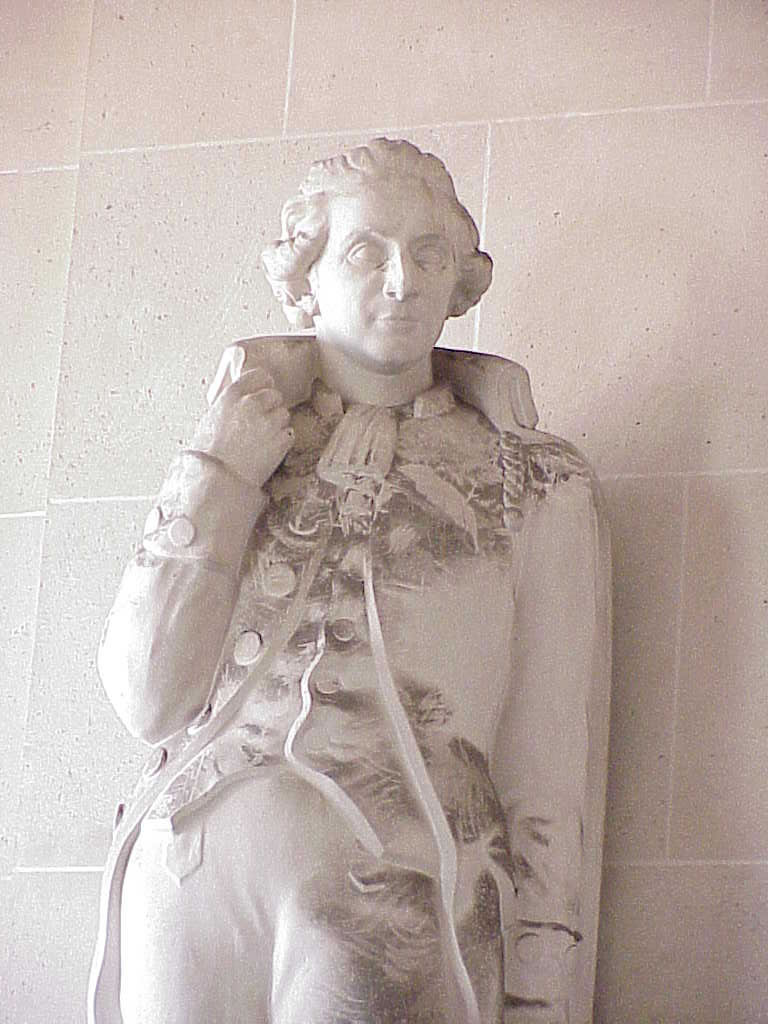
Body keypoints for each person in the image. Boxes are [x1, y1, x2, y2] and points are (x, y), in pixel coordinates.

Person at [88, 138, 610, 1024]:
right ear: (307, 276)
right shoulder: (236, 444)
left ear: (460, 280)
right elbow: (146, 699)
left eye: (429, 255)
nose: (403, 282)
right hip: (184, 874)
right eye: (368, 252)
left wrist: (540, 973)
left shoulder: (533, 479)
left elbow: (547, 757)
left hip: (400, 892)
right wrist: (218, 471)